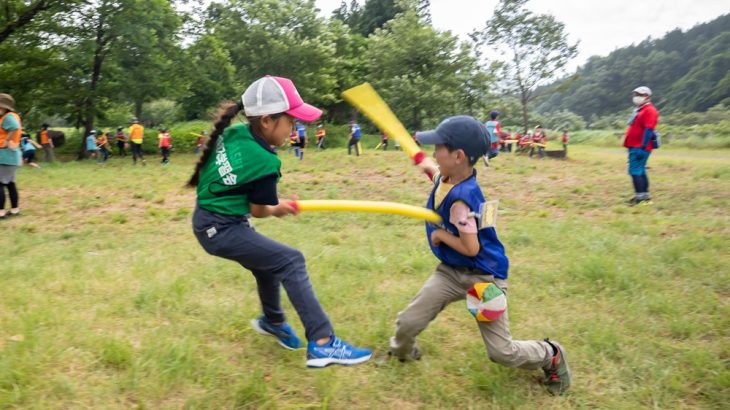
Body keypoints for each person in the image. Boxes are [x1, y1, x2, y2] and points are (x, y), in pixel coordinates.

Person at [188, 75, 371, 368]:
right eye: (290, 121)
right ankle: (323, 343)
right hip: (220, 228)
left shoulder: (236, 133)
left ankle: (273, 321)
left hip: (210, 219)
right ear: (266, 121)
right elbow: (259, 210)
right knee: (290, 261)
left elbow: (238, 186)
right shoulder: (266, 161)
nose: (295, 129)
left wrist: (272, 204)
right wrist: (278, 208)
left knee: (269, 265)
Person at [388, 115, 571, 396]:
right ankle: (403, 352)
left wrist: (440, 236)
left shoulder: (462, 202)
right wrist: (421, 159)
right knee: (408, 322)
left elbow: (471, 248)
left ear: (458, 156)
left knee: (501, 352)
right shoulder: (447, 177)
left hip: (484, 277)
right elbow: (431, 168)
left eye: (439, 148)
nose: (434, 153)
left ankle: (551, 354)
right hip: (451, 272)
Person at [624, 86, 659, 205]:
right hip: (635, 145)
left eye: (640, 95)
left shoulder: (649, 110)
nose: (636, 97)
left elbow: (649, 130)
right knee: (641, 171)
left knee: (635, 171)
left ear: (647, 97)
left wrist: (643, 147)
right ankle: (645, 196)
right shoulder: (640, 109)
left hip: (639, 147)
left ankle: (640, 198)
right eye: (635, 94)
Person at [0, 93, 22, 218]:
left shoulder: (8, 117)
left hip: (5, 155)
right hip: (10, 155)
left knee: (0, 184)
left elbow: (14, 127)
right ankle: (15, 210)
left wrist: (6, 141)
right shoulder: (9, 116)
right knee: (10, 183)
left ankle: (1, 212)